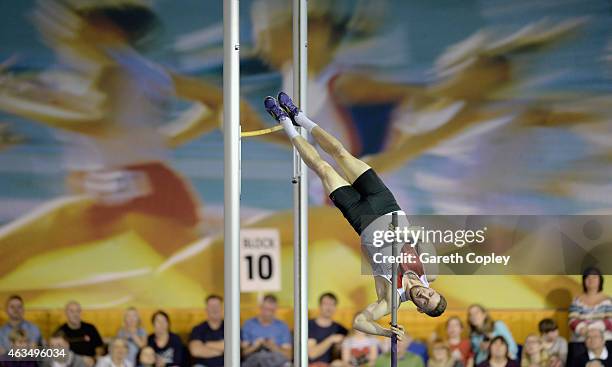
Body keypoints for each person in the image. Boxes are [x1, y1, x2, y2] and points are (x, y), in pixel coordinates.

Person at [263, 92, 447, 341]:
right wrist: (404, 235)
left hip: (361, 218)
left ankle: (285, 122)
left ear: (419, 309)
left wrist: (384, 331)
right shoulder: (430, 271)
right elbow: (421, 235)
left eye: (424, 302)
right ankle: (300, 116)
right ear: (431, 288)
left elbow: (359, 321)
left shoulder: (391, 300)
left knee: (323, 168)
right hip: (387, 204)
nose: (424, 296)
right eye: (430, 295)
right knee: (340, 152)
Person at [568, 267, 611, 362]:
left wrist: (595, 331)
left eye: (594, 277)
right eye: (588, 277)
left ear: (600, 280)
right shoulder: (576, 300)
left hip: (604, 339)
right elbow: (572, 320)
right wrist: (583, 329)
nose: (591, 280)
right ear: (584, 281)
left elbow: (610, 321)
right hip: (580, 339)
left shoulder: (608, 300)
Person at [240, 294, 292, 367]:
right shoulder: (249, 324)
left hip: (276, 360)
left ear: (276, 310)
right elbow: (243, 353)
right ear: (260, 308)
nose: (268, 313)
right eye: (266, 309)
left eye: (272, 310)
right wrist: (255, 345)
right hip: (255, 359)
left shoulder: (282, 326)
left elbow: (288, 356)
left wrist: (273, 346)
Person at [55, 301, 104, 367]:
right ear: (66, 313)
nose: (75, 314)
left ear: (81, 313)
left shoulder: (90, 328)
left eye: (78, 311)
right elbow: (57, 354)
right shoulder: (60, 331)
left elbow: (99, 348)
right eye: (72, 311)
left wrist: (94, 359)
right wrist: (77, 361)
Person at [308, 292, 349, 365]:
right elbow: (312, 354)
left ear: (336, 307)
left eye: (332, 304)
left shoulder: (340, 329)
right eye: (326, 304)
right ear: (319, 306)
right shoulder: (309, 325)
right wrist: (331, 339)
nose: (329, 307)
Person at [189, 294, 224, 367]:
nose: (215, 309)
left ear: (222, 308)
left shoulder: (231, 328)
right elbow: (195, 351)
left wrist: (207, 344)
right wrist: (221, 352)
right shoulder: (198, 329)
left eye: (217, 306)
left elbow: (235, 348)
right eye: (211, 306)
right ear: (206, 309)